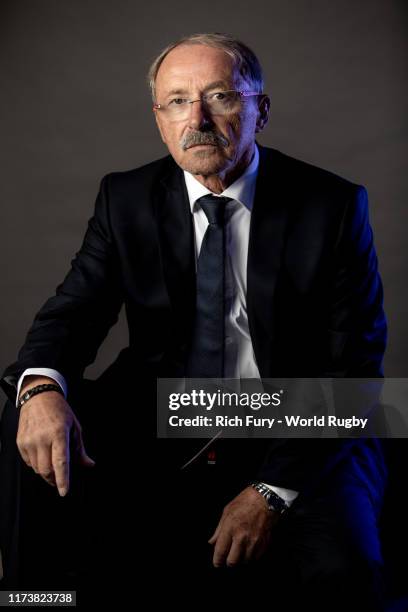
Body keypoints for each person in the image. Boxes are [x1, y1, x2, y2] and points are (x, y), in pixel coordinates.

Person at [0, 33, 387, 609]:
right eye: (177, 101)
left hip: (294, 418)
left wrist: (270, 492)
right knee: (30, 416)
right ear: (159, 118)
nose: (197, 118)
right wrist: (38, 388)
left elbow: (353, 370)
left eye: (220, 96)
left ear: (261, 110)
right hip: (162, 416)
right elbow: (73, 313)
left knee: (343, 569)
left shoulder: (331, 205)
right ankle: (34, 602)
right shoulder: (125, 197)